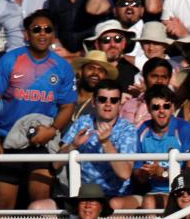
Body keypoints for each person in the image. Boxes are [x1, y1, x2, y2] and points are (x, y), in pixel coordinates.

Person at [0, 9, 77, 210]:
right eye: (36, 29)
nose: (42, 33)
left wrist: (51, 131)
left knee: (39, 207)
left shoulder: (62, 67)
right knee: (4, 210)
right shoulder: (10, 60)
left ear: (53, 35)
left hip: (41, 142)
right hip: (7, 141)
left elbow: (68, 106)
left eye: (47, 29)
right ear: (26, 34)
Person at [58, 79, 137, 210]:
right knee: (38, 207)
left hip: (115, 197)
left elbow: (125, 174)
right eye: (102, 99)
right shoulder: (82, 123)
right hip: (82, 196)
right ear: (94, 102)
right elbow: (55, 164)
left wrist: (106, 143)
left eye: (114, 100)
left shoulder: (128, 129)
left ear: (119, 104)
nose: (108, 104)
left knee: (113, 206)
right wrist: (73, 146)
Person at [133, 84, 190, 209]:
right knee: (115, 205)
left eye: (166, 106)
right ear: (148, 109)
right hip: (153, 191)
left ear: (172, 107)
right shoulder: (142, 130)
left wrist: (163, 173)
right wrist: (144, 174)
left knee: (149, 201)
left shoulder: (185, 129)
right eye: (156, 107)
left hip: (183, 192)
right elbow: (137, 170)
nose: (161, 111)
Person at [83, 20, 141, 93]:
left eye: (117, 39)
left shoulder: (133, 74)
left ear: (123, 43)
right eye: (106, 40)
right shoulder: (87, 71)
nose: (112, 44)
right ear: (97, 45)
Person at [46, 0, 112, 56]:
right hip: (64, 56)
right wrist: (57, 48)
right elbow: (54, 26)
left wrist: (72, 54)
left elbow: (92, 10)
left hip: (92, 56)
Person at [120, 57, 173, 126]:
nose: (159, 81)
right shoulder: (129, 104)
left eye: (164, 77)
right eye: (154, 76)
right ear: (144, 78)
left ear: (169, 79)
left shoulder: (172, 107)